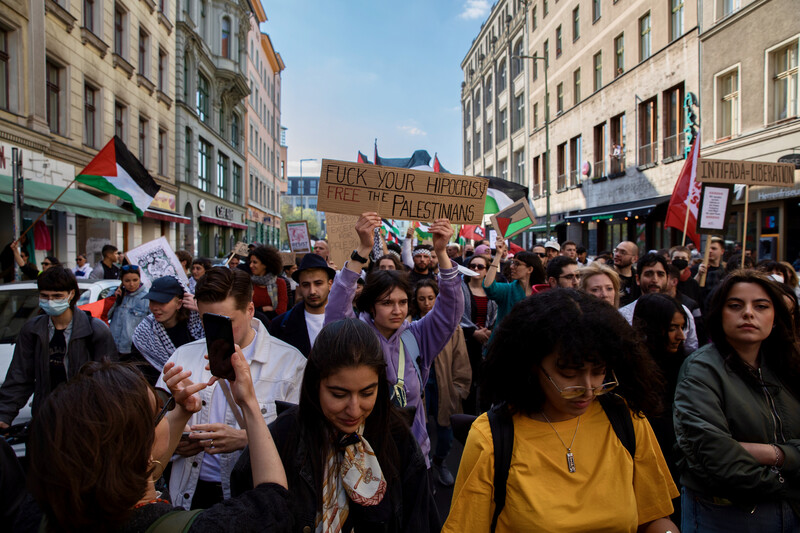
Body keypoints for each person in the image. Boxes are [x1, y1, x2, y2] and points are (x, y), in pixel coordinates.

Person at [443, 290, 679, 532]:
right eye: (568, 373)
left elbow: (655, 516)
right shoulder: (491, 437)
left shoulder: (625, 418)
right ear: (532, 365)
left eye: (599, 371)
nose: (588, 389)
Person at [25, 357, 293, 532]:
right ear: (138, 446)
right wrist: (248, 403)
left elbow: (140, 469)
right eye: (160, 411)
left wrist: (182, 412)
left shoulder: (50, 517)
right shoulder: (203, 527)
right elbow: (273, 504)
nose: (168, 414)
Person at [232, 319, 439, 531]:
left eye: (367, 393)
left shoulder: (398, 441)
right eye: (339, 395)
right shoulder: (281, 439)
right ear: (315, 384)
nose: (354, 409)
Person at [158, 267, 306, 510]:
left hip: (252, 500)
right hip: (188, 496)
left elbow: (301, 444)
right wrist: (176, 436)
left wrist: (245, 439)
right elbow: (151, 439)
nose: (215, 332)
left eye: (225, 323)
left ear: (249, 310)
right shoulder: (182, 357)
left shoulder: (290, 365)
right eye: (207, 321)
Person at [324, 212, 463, 470]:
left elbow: (449, 311)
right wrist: (363, 249)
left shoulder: (416, 336)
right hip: (361, 458)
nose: (397, 310)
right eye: (387, 303)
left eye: (402, 302)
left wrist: (442, 253)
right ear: (370, 305)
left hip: (411, 454)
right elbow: (334, 311)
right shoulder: (354, 333)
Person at [673, 270, 800, 531]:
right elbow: (716, 456)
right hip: (727, 514)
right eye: (735, 305)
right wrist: (790, 478)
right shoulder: (701, 369)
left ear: (775, 317)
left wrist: (773, 454)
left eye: (761, 306)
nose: (748, 313)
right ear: (719, 314)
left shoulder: (789, 364)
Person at [0, 267, 117, 429]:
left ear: (71, 295)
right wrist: (5, 414)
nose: (50, 301)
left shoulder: (95, 330)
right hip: (46, 419)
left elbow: (108, 381)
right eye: (45, 296)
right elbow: (20, 377)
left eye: (57, 296)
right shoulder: (32, 330)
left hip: (85, 421)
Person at [632, 293, 689, 521]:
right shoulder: (631, 370)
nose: (681, 336)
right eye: (673, 328)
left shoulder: (687, 365)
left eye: (682, 327)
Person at [413, 280, 471, 487]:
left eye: (431, 298)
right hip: (419, 386)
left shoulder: (451, 327)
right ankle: (425, 471)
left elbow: (461, 359)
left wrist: (458, 389)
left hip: (444, 385)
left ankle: (440, 462)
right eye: (422, 298)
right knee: (421, 431)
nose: (427, 303)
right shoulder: (409, 326)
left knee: (446, 433)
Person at [619, 253, 699, 353]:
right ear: (638, 279)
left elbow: (691, 349)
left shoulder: (683, 312)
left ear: (667, 278)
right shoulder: (623, 316)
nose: (655, 280)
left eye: (660, 274)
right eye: (648, 274)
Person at [131, 276, 205, 384]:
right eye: (152, 301)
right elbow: (138, 372)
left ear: (178, 304)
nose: (155, 308)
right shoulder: (144, 332)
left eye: (161, 302)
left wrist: (203, 310)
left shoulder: (197, 327)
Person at [269, 253, 336, 357]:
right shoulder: (280, 325)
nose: (312, 291)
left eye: (318, 283)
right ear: (299, 286)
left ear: (330, 284)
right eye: (306, 285)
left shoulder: (347, 320)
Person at [483, 238, 546, 340]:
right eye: (512, 262)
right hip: (504, 346)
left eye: (517, 264)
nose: (512, 267)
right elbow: (488, 286)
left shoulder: (542, 293)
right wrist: (498, 255)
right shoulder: (508, 290)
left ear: (530, 269)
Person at [460, 253, 497, 414]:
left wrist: (488, 332)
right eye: (472, 266)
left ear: (486, 270)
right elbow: (457, 315)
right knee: (469, 381)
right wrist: (473, 332)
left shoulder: (493, 291)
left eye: (480, 266)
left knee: (486, 382)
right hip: (466, 342)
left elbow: (497, 314)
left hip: (487, 342)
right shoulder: (460, 289)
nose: (475, 269)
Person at [108, 264, 150, 358]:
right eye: (127, 281)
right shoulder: (116, 294)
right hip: (113, 347)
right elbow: (105, 316)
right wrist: (114, 300)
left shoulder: (147, 297)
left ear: (140, 279)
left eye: (135, 280)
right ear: (122, 281)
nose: (131, 284)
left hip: (133, 350)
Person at [248, 245, 288, 321]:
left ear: (265, 264)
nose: (251, 265)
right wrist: (263, 309)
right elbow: (245, 310)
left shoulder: (280, 283)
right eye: (250, 262)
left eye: (255, 262)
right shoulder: (248, 283)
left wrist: (257, 311)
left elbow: (281, 312)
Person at [614, 241, 640, 306]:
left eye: (623, 252)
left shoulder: (637, 279)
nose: (617, 254)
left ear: (634, 259)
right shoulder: (605, 274)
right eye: (616, 251)